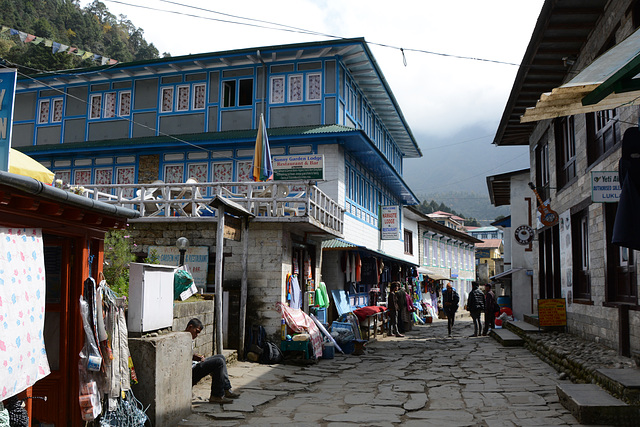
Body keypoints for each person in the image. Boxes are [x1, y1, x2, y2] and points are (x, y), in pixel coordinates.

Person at [185, 318, 241, 404]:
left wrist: (195, 357)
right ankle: (216, 395)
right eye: (196, 331)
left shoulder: (189, 339)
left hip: (194, 364)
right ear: (190, 327)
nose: (197, 335)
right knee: (218, 362)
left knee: (221, 357)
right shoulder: (182, 339)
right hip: (190, 371)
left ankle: (226, 389)